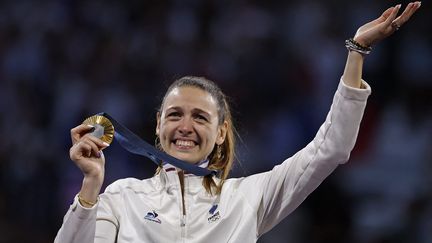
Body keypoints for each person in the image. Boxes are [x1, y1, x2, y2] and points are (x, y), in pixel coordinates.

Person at [55, 2, 421, 242]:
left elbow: (332, 148)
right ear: (158, 126)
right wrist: (90, 186)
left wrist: (356, 52)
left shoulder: (248, 198)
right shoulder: (122, 197)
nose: (185, 126)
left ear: (220, 132)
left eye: (200, 117)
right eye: (175, 115)